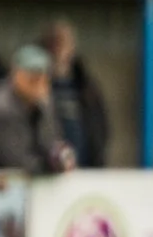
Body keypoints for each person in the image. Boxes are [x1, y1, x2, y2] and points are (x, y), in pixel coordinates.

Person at [0, 46, 76, 173]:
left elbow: (52, 142)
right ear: (16, 74)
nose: (40, 82)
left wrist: (62, 157)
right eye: (33, 76)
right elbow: (18, 162)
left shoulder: (44, 101)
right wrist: (53, 166)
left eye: (44, 76)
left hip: (30, 182)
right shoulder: (0, 108)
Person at [43, 20, 111, 168]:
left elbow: (101, 126)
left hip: (86, 167)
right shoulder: (39, 87)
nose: (61, 50)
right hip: (52, 171)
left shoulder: (86, 85)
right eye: (57, 42)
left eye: (66, 43)